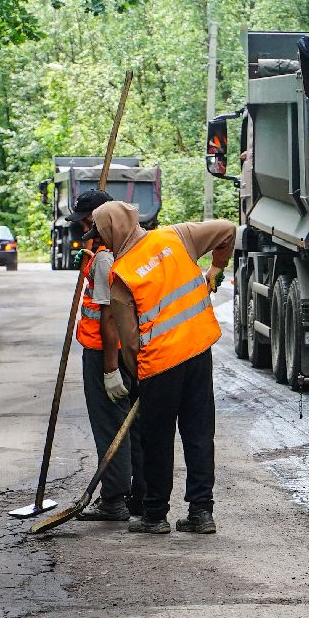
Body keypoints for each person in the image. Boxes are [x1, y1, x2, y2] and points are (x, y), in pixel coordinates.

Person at [92, 201, 236, 535]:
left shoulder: (122, 274)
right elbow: (228, 229)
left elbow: (129, 341)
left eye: (101, 233)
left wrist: (137, 374)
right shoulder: (177, 236)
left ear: (113, 231)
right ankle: (202, 513)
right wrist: (217, 267)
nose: (101, 241)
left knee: (157, 440)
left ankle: (155, 515)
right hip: (198, 352)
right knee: (199, 434)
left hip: (159, 365)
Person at [69, 190, 145, 523]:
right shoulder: (121, 249)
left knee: (110, 426)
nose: (83, 228)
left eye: (87, 222)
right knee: (127, 426)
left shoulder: (105, 259)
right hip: (124, 351)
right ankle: (136, 496)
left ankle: (114, 499)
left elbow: (108, 316)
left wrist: (110, 369)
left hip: (104, 354)